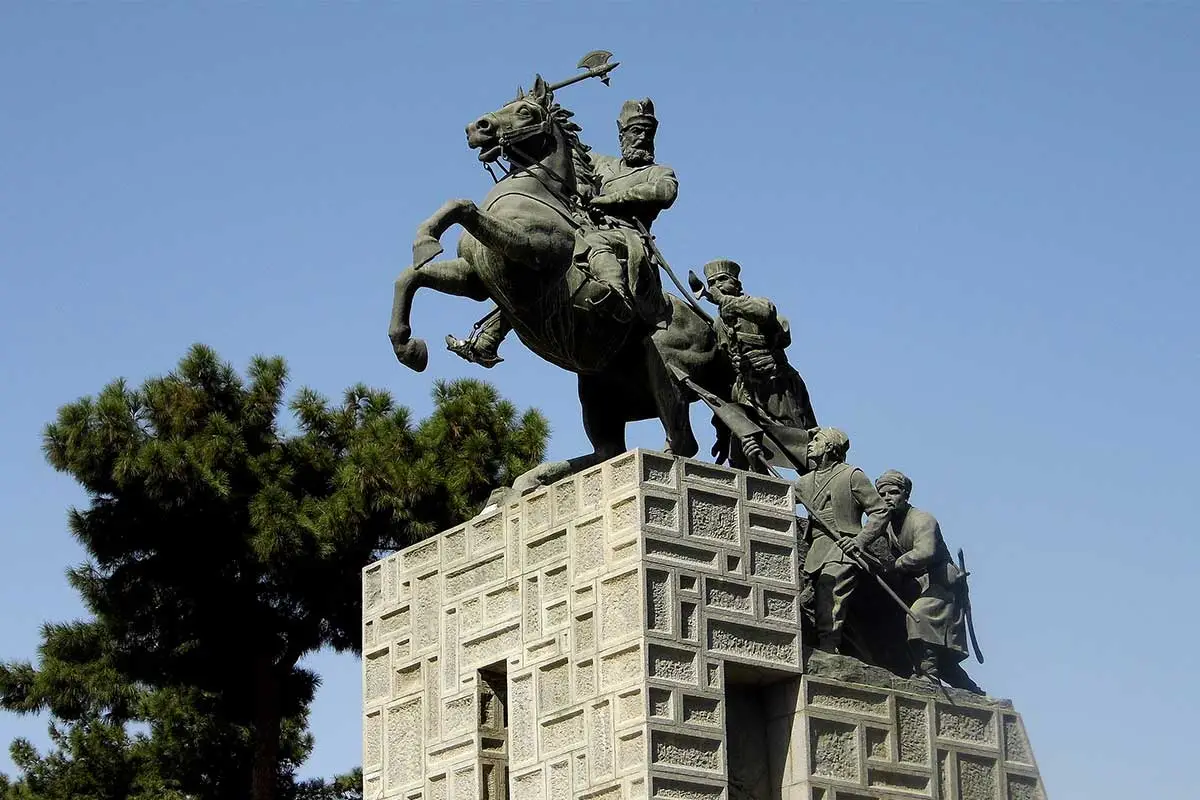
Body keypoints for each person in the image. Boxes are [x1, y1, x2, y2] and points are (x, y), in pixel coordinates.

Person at [447, 98, 678, 367]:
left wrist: (610, 200)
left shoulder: (658, 172)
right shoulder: (601, 164)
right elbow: (562, 155)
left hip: (625, 236)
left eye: (647, 133)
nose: (642, 138)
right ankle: (490, 335)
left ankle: (617, 298)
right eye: (635, 131)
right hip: (583, 224)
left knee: (590, 241)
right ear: (622, 134)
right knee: (541, 258)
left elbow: (665, 191)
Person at [697, 258, 817, 469]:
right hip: (746, 391)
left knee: (803, 448)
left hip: (777, 386)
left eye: (722, 280)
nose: (716, 286)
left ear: (737, 284)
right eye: (712, 283)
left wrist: (725, 302)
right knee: (745, 448)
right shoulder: (719, 324)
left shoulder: (758, 304)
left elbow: (765, 313)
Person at [875, 469, 983, 693]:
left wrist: (896, 565)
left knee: (919, 615)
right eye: (882, 494)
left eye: (893, 492)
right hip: (917, 584)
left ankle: (928, 675)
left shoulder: (923, 519)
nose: (887, 498)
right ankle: (969, 689)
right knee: (939, 653)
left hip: (941, 584)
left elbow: (925, 552)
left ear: (905, 494)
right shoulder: (887, 524)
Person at [795, 428, 889, 653]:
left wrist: (859, 541)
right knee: (811, 598)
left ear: (829, 446)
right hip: (817, 548)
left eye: (816, 441)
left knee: (831, 591)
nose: (809, 445)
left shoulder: (851, 475)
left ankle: (828, 646)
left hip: (843, 546)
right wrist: (753, 456)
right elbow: (774, 493)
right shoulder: (805, 482)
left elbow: (880, 511)